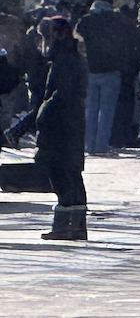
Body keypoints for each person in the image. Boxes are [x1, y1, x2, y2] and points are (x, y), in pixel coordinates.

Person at [35, 16, 89, 241]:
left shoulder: (62, 58)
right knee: (72, 173)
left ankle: (65, 225)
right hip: (71, 122)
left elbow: (59, 94)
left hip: (60, 124)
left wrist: (42, 115)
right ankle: (76, 225)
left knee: (60, 173)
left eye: (46, 35)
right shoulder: (72, 56)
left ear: (57, 34)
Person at [74, 0, 133, 154]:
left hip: (91, 70)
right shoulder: (117, 20)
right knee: (107, 110)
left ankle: (89, 145)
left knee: (91, 109)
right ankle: (101, 145)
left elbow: (77, 39)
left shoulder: (86, 21)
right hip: (112, 71)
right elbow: (127, 41)